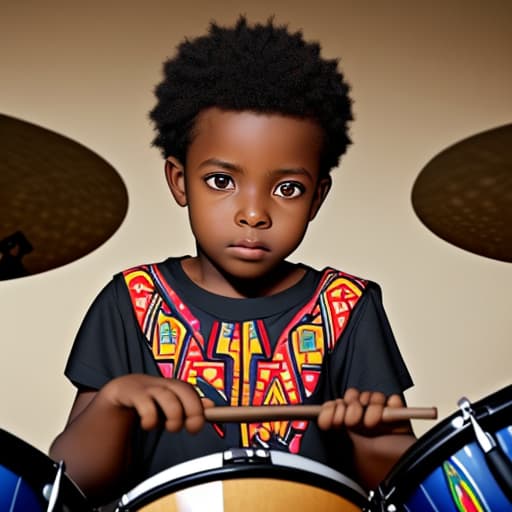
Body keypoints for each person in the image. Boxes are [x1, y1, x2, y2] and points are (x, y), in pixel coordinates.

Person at [49, 16, 416, 507]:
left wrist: (371, 436)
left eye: (288, 189)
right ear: (179, 181)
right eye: (222, 181)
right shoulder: (130, 301)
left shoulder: (347, 306)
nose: (253, 214)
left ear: (318, 198)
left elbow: (404, 486)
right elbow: (70, 483)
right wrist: (113, 402)